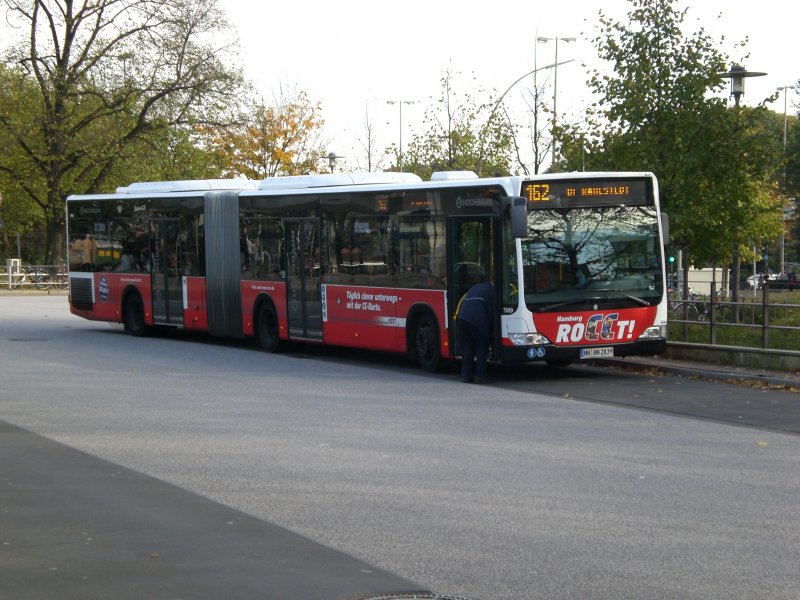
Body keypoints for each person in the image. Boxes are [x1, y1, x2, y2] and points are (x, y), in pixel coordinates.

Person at [456, 278, 495, 384]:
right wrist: (491, 331)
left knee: (467, 349)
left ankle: (466, 375)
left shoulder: (476, 287)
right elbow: (491, 313)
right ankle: (480, 376)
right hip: (478, 320)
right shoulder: (492, 291)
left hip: (463, 318)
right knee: (481, 348)